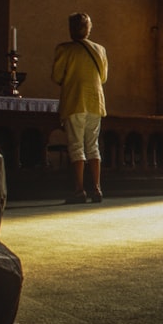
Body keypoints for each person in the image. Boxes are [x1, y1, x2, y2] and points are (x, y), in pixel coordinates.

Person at [52, 12, 109, 203]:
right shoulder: (100, 50)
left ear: (71, 29)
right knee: (93, 146)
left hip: (75, 101)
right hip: (95, 101)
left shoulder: (64, 49)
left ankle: (79, 191)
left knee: (76, 146)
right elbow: (103, 78)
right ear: (88, 28)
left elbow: (57, 76)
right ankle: (96, 189)